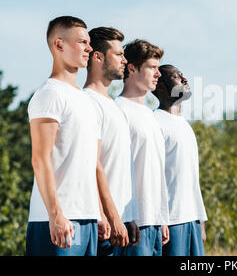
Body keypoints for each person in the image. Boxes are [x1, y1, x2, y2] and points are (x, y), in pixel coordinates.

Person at [26, 16, 101, 256]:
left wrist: (98, 214)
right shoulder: (49, 95)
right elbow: (40, 159)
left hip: (88, 219)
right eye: (82, 42)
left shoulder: (87, 101)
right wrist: (56, 214)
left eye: (89, 42)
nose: (89, 48)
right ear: (59, 45)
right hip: (57, 220)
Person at [83, 27, 140, 256]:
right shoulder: (88, 102)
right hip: (105, 228)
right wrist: (107, 216)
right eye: (118, 55)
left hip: (122, 224)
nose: (125, 61)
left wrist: (130, 217)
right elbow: (92, 164)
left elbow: (120, 167)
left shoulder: (113, 106)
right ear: (97, 57)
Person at [115, 39, 170, 256]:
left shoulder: (151, 115)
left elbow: (157, 171)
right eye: (152, 68)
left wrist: (162, 219)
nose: (158, 74)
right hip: (133, 225)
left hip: (154, 223)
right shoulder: (118, 110)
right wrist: (125, 219)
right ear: (132, 68)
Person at [152, 64, 208, 256]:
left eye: (183, 75)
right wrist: (159, 219)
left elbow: (192, 179)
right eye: (177, 77)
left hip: (191, 219)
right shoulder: (155, 122)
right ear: (160, 87)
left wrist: (200, 220)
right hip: (171, 222)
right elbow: (153, 176)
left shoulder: (184, 124)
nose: (184, 80)